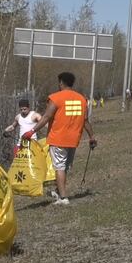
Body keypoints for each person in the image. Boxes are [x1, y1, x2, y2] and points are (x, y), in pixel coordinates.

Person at [22, 72, 97, 206]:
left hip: (58, 139)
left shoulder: (56, 98)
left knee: (60, 167)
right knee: (65, 167)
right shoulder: (81, 99)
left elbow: (46, 117)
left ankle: (63, 198)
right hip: (73, 140)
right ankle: (58, 190)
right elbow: (85, 121)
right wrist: (92, 136)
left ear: (61, 82)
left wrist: (32, 131)